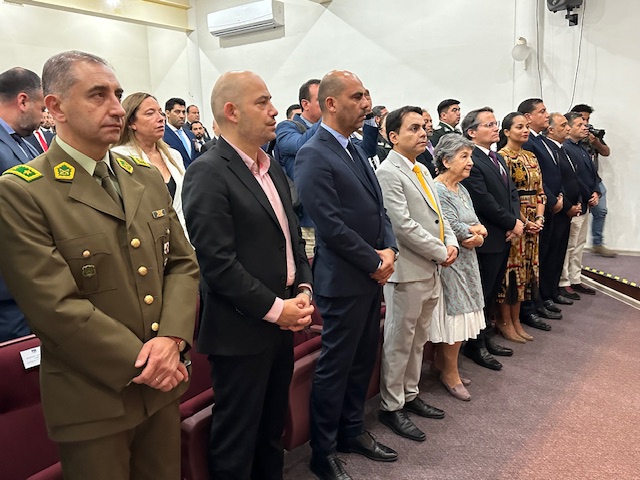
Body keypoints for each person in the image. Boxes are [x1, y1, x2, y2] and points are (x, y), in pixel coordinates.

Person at [0, 50, 199, 480]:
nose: (115, 107)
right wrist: (152, 363)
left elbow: (181, 264)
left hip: (162, 388)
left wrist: (173, 339)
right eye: (97, 95)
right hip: (94, 397)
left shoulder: (142, 176)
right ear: (54, 108)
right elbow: (54, 306)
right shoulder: (24, 191)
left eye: (118, 94)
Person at [182, 70, 313, 480]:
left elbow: (291, 237)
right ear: (231, 111)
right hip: (242, 329)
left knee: (271, 427)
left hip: (281, 318)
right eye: (263, 102)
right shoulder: (208, 172)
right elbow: (218, 264)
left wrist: (304, 286)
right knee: (237, 437)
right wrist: (279, 310)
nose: (275, 111)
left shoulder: (270, 167)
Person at [296, 70, 398, 480]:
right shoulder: (313, 152)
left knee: (361, 360)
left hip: (371, 273)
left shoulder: (355, 148)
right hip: (343, 280)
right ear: (331, 103)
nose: (366, 104)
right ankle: (322, 452)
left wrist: (388, 248)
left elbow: (378, 207)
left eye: (367, 95)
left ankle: (351, 431)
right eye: (357, 96)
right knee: (335, 368)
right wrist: (375, 262)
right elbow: (330, 225)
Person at [376, 106, 457, 442]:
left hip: (431, 268)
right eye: (414, 129)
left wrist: (451, 242)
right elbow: (403, 226)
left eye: (424, 127)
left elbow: (438, 216)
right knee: (399, 341)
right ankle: (391, 406)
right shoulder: (388, 172)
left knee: (419, 339)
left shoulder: (421, 167)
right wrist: (441, 251)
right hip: (407, 270)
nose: (424, 133)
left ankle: (410, 394)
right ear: (393, 137)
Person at [460, 107, 521, 370]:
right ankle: (475, 344)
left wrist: (516, 221)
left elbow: (511, 193)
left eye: (496, 123)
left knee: (493, 290)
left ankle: (485, 336)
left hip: (504, 234)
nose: (496, 128)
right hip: (487, 236)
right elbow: (483, 201)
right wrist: (511, 222)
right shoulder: (471, 160)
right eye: (489, 124)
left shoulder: (498, 158)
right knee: (481, 293)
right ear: (472, 132)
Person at [431, 134, 487, 401]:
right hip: (451, 262)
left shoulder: (461, 189)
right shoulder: (438, 189)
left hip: (468, 261)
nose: (470, 162)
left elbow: (476, 224)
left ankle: (443, 365)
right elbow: (452, 228)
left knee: (465, 316)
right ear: (445, 160)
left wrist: (475, 233)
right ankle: (449, 374)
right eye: (464, 157)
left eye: (471, 156)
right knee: (455, 319)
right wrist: (473, 234)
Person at [0, 66, 45, 343]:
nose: (44, 115)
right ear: (23, 101)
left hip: (32, 280)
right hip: (8, 289)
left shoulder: (28, 143)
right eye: (41, 106)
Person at [495, 112, 546, 343]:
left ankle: (517, 320)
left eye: (527, 126)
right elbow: (506, 197)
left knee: (526, 271)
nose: (525, 130)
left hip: (534, 219)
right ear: (506, 132)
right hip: (514, 221)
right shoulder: (501, 158)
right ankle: (505, 321)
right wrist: (524, 222)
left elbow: (541, 192)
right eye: (519, 127)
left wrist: (540, 219)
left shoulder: (531, 157)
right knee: (511, 273)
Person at [518, 98, 569, 324]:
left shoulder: (542, 141)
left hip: (545, 206)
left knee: (547, 255)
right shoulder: (529, 142)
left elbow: (550, 174)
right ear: (528, 117)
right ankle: (535, 302)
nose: (546, 115)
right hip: (536, 207)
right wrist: (550, 200)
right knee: (539, 257)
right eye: (542, 111)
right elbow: (536, 179)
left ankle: (543, 297)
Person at [111, 92, 189, 236]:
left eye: (160, 112)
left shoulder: (173, 156)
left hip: (181, 238)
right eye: (150, 113)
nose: (160, 118)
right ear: (131, 122)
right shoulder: (119, 157)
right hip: (143, 240)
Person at [542, 113, 589, 301]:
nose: (567, 129)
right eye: (564, 125)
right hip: (558, 209)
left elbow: (572, 179)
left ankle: (553, 291)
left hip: (568, 207)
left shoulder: (562, 149)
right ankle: (548, 292)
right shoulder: (552, 149)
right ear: (551, 130)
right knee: (552, 253)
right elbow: (552, 180)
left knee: (559, 252)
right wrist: (567, 205)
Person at [274, 78, 322, 257]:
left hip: (332, 217)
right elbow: (300, 144)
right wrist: (328, 118)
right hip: (307, 221)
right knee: (312, 275)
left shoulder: (330, 130)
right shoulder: (286, 127)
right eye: (321, 99)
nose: (327, 103)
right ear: (305, 104)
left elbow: (366, 149)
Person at [560, 112, 600, 298]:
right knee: (569, 244)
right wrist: (588, 193)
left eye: (585, 123)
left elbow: (592, 175)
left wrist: (596, 192)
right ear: (568, 128)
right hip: (576, 202)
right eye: (579, 124)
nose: (585, 127)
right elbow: (574, 177)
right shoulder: (566, 148)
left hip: (586, 202)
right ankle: (564, 281)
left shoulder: (582, 148)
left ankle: (576, 278)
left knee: (579, 244)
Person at [571, 104, 614, 258]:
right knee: (577, 217)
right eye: (582, 119)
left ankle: (597, 243)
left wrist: (595, 141)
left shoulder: (592, 133)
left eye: (588, 119)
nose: (586, 123)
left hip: (594, 180)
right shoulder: (569, 137)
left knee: (601, 210)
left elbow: (606, 152)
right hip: (576, 181)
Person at [163, 97, 199, 168]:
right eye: (177, 112)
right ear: (168, 113)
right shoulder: (162, 135)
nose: (182, 116)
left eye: (183, 112)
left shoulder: (190, 134)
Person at [416, 108, 437, 177]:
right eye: (426, 122)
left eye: (431, 121)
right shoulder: (416, 146)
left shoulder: (435, 142)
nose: (430, 124)